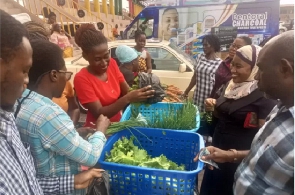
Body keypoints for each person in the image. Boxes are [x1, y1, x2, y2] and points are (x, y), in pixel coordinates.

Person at [0, 9, 107, 195]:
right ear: (54, 75)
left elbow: (28, 181)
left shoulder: (12, 110)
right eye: (24, 70)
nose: (25, 81)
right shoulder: (48, 113)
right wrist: (100, 130)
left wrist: (70, 181)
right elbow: (90, 156)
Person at [195, 30, 294, 195]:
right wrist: (230, 155)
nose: (257, 77)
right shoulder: (281, 108)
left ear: (285, 69)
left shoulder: (267, 100)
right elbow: (262, 153)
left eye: (260, 69)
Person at [73, 24, 154, 126]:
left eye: (106, 55)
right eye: (97, 59)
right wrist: (128, 98)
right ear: (85, 57)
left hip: (118, 123)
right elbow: (99, 113)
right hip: (97, 129)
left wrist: (144, 93)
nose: (104, 63)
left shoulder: (112, 64)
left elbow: (127, 90)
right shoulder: (81, 78)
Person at [183, 34, 222, 112]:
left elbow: (219, 85)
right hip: (198, 95)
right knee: (196, 115)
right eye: (203, 45)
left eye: (206, 45)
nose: (203, 47)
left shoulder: (220, 63)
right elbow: (195, 77)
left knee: (207, 118)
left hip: (209, 97)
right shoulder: (200, 57)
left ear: (213, 45)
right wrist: (186, 91)